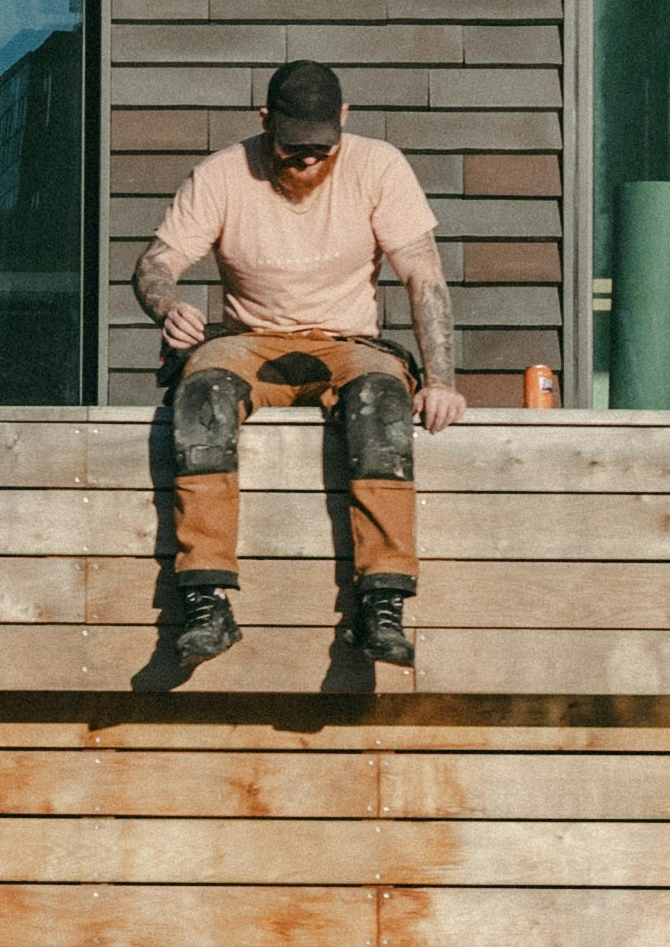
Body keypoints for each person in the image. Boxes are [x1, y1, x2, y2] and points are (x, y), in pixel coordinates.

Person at [136, 58, 465, 670]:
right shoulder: (222, 175)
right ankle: (206, 598)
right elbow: (157, 262)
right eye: (294, 149)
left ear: (344, 120)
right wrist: (165, 304)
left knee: (383, 403)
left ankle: (383, 605)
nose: (309, 161)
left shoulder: (379, 166)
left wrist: (441, 380)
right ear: (266, 123)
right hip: (251, 338)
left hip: (349, 341)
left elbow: (424, 276)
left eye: (322, 147)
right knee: (200, 394)